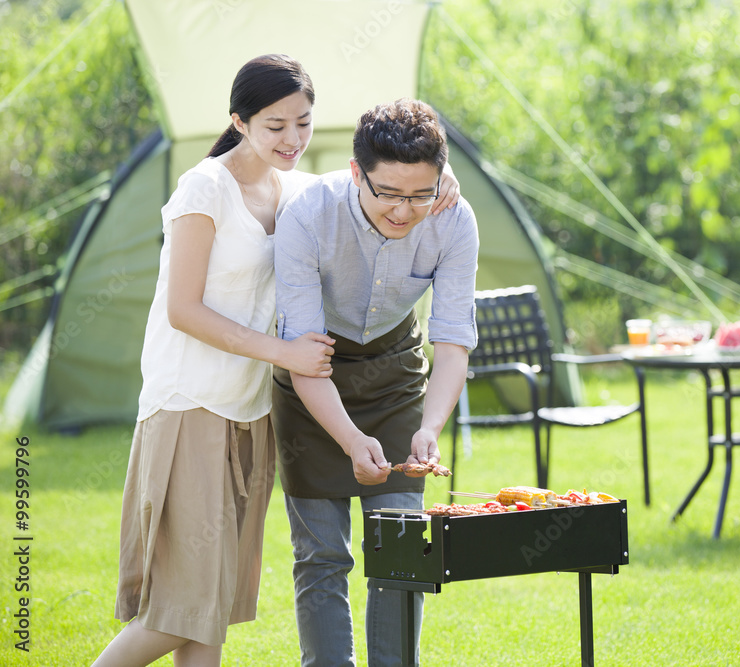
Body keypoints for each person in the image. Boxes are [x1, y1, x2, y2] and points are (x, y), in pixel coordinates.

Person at [91, 55, 462, 667]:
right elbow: (183, 309)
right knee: (180, 608)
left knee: (209, 608)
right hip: (190, 403)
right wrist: (283, 352)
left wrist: (441, 186)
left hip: (250, 410)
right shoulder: (203, 187)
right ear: (239, 121)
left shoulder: (292, 189)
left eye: (304, 124)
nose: (292, 139)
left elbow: (369, 188)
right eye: (274, 125)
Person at [270, 98, 479, 666]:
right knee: (321, 558)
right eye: (388, 193)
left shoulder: (454, 218)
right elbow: (304, 352)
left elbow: (454, 338)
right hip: (313, 381)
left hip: (396, 381)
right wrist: (347, 439)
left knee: (402, 553)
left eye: (420, 194)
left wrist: (430, 426)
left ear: (441, 180)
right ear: (357, 172)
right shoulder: (308, 217)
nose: (404, 212)